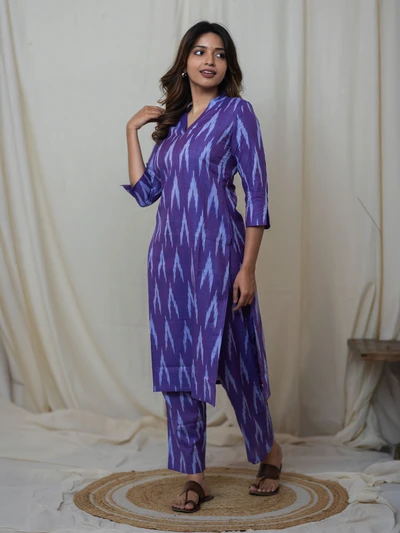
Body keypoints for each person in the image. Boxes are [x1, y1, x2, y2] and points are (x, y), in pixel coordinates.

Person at [122, 20, 282, 513]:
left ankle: (269, 451)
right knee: (177, 367)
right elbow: (146, 193)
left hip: (220, 257)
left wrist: (248, 268)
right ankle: (194, 475)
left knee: (237, 361)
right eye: (199, 51)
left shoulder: (237, 114)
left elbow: (257, 193)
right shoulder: (172, 126)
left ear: (227, 65)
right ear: (185, 62)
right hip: (169, 265)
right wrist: (131, 131)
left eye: (219, 53)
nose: (209, 60)